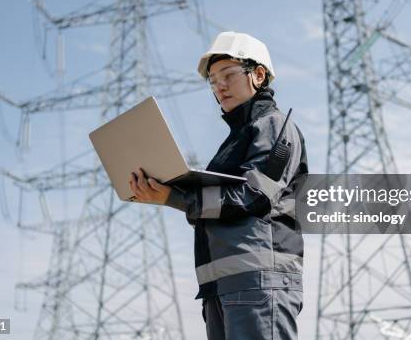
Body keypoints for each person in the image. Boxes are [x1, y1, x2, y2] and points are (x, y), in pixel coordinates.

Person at [129, 31, 308, 340]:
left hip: (258, 281)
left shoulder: (274, 126)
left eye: (228, 75)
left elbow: (253, 196)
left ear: (258, 75)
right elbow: (222, 205)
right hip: (223, 284)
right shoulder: (236, 139)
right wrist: (172, 195)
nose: (219, 86)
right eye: (212, 80)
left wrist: (176, 198)